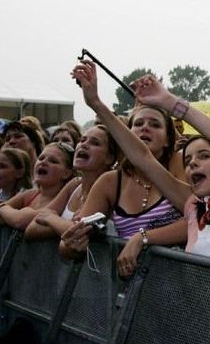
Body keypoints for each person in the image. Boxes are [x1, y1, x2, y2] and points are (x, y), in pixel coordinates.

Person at [63, 63, 210, 274]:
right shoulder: (193, 207)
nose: (193, 164)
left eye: (204, 156)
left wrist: (170, 102)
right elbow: (143, 158)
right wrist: (96, 104)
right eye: (187, 161)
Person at [59, 86, 189, 277]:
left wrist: (142, 237)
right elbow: (66, 247)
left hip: (182, 285)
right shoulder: (111, 181)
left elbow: (198, 222)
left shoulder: (181, 165)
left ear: (168, 140)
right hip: (132, 293)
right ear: (125, 135)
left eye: (155, 124)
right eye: (138, 124)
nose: (145, 127)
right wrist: (71, 244)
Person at [24, 125, 119, 240]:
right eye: (82, 140)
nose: (83, 145)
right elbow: (31, 229)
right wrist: (66, 225)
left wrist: (51, 219)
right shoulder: (74, 184)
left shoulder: (109, 187)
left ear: (110, 158)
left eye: (95, 143)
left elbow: (80, 232)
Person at [0, 143, 75, 230]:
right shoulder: (30, 194)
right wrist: (11, 215)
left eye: (53, 161)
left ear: (66, 173)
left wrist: (1, 208)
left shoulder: (65, 200)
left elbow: (20, 221)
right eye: (41, 158)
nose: (43, 162)